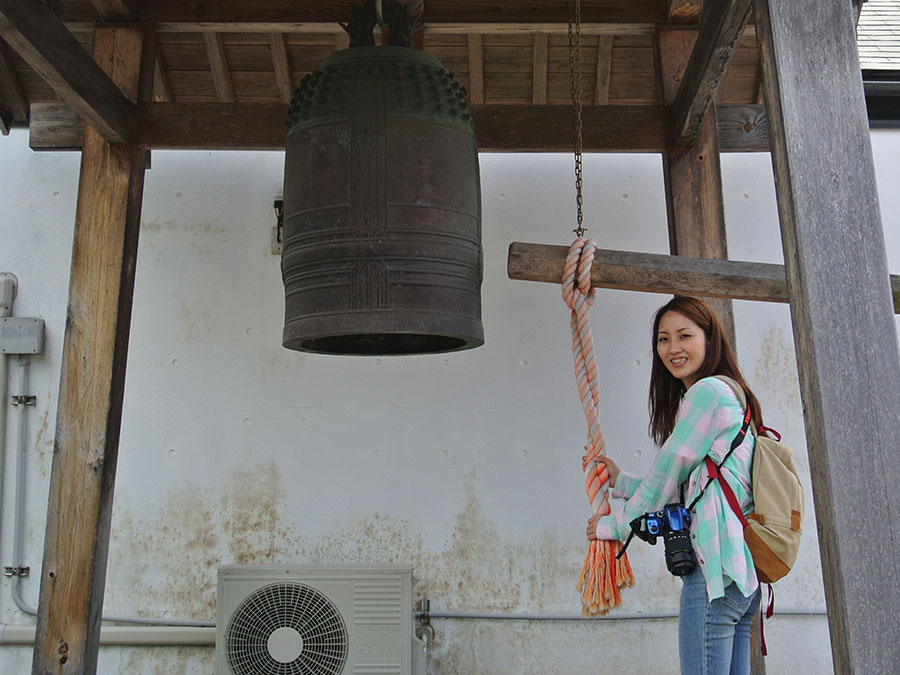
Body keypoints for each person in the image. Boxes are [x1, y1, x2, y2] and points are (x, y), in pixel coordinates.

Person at [586, 296, 762, 675]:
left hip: (713, 576)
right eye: (663, 339)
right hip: (740, 578)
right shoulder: (733, 393)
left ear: (710, 339)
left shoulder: (707, 393)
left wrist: (613, 526)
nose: (673, 348)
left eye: (685, 335)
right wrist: (623, 483)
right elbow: (693, 483)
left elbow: (668, 473)